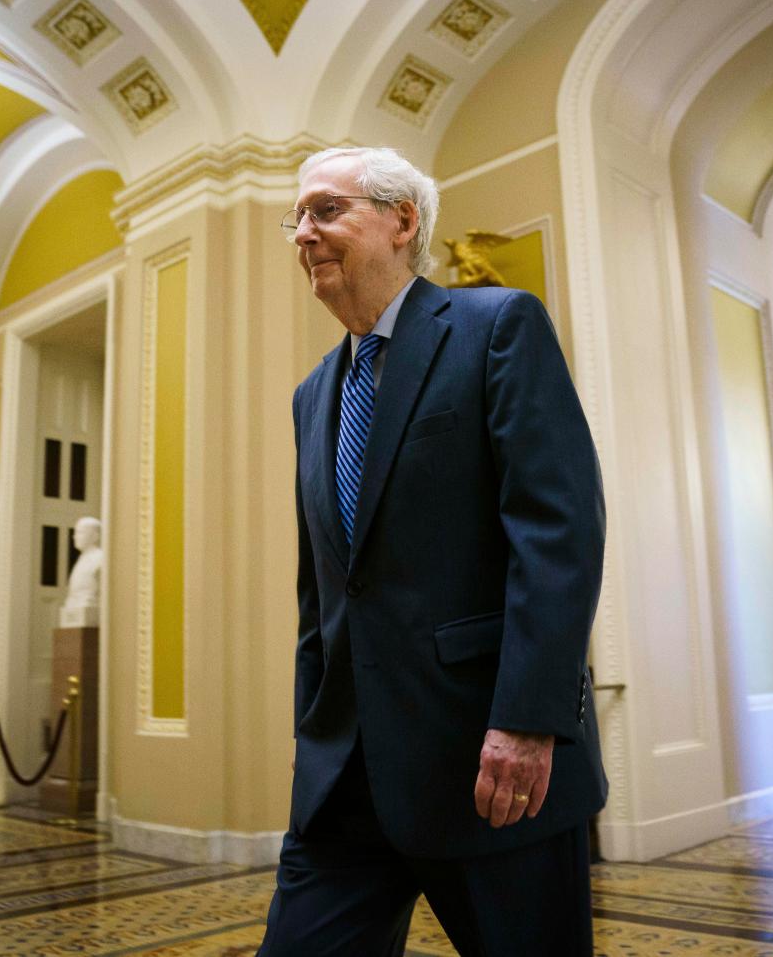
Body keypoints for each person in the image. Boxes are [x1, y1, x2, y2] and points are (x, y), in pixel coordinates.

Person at [257, 146, 607, 956]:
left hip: (490, 769)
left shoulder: (495, 327)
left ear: (402, 220)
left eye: (326, 211)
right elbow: (325, 585)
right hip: (344, 782)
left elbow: (556, 532)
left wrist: (527, 720)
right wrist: (313, 729)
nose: (303, 234)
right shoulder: (313, 393)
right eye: (297, 218)